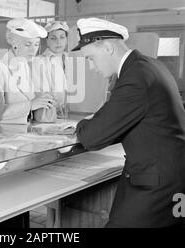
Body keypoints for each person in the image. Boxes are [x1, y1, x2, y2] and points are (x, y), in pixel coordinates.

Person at [72, 17, 185, 228]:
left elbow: (92, 137)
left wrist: (81, 125)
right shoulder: (148, 65)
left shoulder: (135, 77)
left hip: (157, 184)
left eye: (90, 58)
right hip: (161, 174)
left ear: (107, 47)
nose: (91, 67)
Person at [0, 18, 56, 124]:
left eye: (36, 44)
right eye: (27, 44)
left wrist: (44, 101)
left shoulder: (30, 68)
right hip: (3, 135)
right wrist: (30, 105)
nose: (33, 50)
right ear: (14, 43)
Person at [35, 20, 69, 118]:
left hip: (69, 114)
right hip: (50, 115)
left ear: (66, 39)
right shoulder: (40, 61)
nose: (58, 42)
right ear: (47, 40)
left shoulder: (70, 59)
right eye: (53, 38)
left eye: (62, 37)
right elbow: (41, 93)